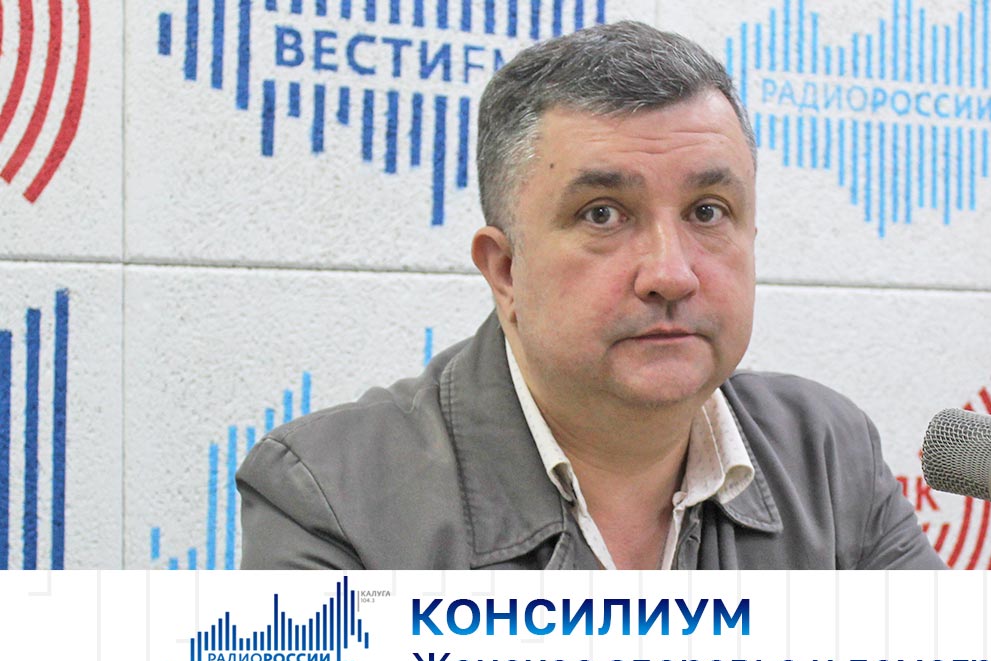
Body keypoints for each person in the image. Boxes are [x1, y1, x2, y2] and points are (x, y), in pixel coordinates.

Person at [236, 21, 946, 570]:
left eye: (707, 211)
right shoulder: (331, 495)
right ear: (505, 270)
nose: (671, 273)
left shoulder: (827, 456)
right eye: (603, 214)